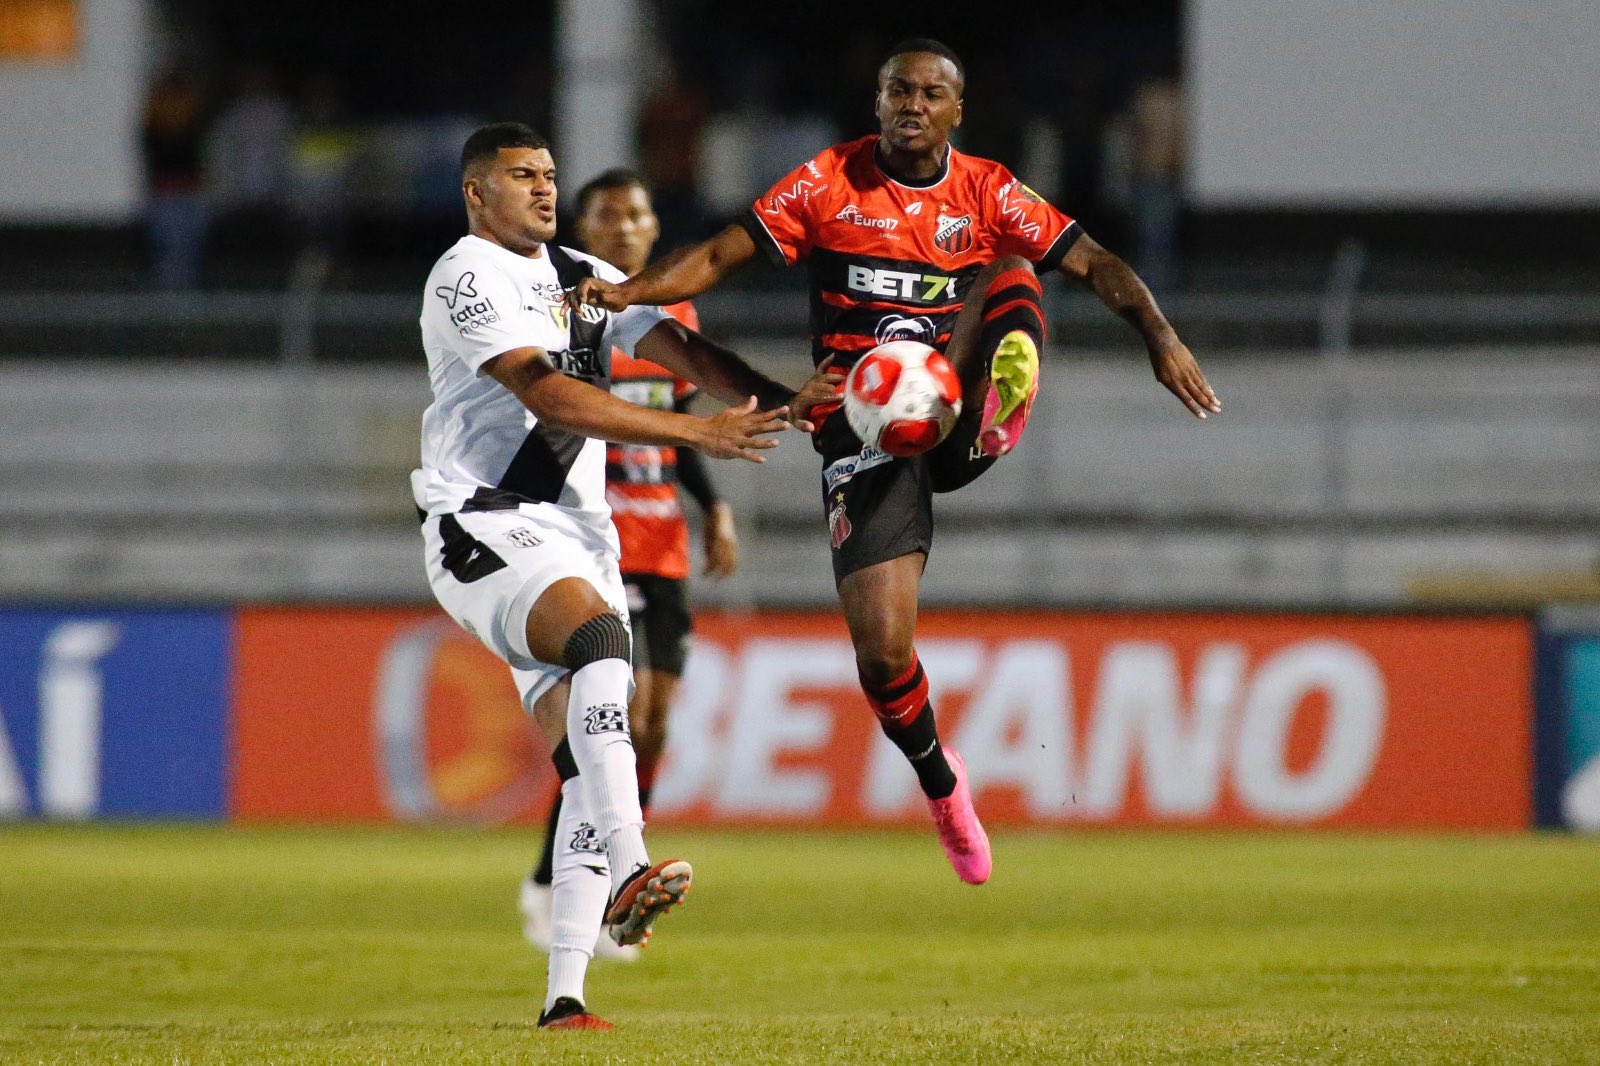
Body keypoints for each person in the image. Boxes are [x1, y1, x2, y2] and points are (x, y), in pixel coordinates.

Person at [574, 39, 1221, 887]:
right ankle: (945, 791)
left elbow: (1096, 261)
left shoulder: (987, 190)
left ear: (958, 111)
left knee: (1017, 263)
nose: (912, 104)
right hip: (859, 432)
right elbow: (720, 254)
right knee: (881, 655)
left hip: (943, 393)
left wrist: (1160, 337)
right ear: (878, 102)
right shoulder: (827, 183)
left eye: (931, 93)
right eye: (897, 91)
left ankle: (996, 403)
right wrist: (630, 291)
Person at [415, 122, 822, 1030]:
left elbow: (688, 356)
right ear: (477, 193)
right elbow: (548, 392)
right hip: (483, 522)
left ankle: (566, 998)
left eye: (550, 175)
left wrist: (782, 403)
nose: (545, 189)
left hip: (573, 539)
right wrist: (697, 435)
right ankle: (634, 868)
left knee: (590, 767)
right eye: (523, 176)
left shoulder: (579, 277)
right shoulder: (468, 275)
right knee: (602, 642)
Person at [520, 168, 739, 963]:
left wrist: (711, 504)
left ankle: (613, 881)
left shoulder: (672, 313)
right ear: (583, 226)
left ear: (654, 227)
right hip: (592, 546)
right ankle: (563, 881)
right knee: (607, 721)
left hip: (663, 545)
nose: (622, 227)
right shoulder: (566, 306)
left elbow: (679, 425)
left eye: (636, 212)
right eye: (606, 216)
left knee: (652, 725)